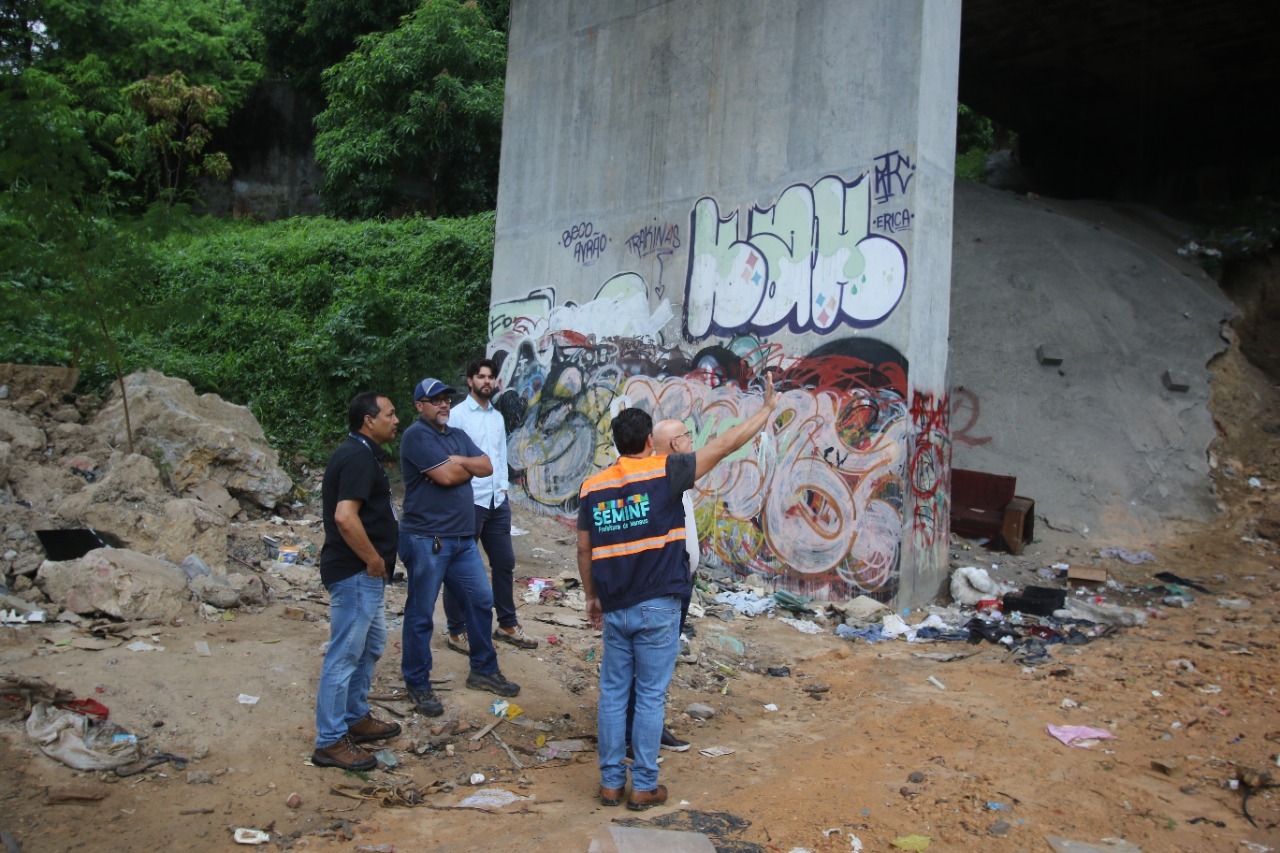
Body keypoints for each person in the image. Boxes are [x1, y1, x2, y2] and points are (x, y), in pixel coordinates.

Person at [578, 375, 776, 810]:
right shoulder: (666, 471)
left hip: (614, 606)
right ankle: (644, 784)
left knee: (613, 693)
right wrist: (764, 412)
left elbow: (584, 548)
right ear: (650, 440)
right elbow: (724, 445)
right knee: (649, 694)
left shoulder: (593, 487)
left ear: (615, 443)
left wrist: (591, 596)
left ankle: (611, 784)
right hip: (658, 606)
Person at [399, 377, 520, 717]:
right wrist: (460, 466)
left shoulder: (455, 434)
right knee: (421, 613)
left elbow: (487, 466)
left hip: (462, 539)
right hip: (426, 539)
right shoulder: (416, 436)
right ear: (419, 405)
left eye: (446, 399)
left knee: (481, 601)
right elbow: (448, 477)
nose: (443, 404)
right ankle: (418, 682)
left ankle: (482, 669)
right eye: (435, 399)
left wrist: (457, 461)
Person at [312, 392, 403, 771]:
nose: (396, 419)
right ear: (369, 420)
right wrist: (372, 559)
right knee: (345, 652)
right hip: (355, 571)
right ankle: (330, 740)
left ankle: (354, 716)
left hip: (366, 572)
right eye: (390, 413)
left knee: (371, 644)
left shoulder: (364, 454)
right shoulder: (355, 457)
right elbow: (345, 518)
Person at [442, 358, 538, 654]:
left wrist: (504, 490)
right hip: (469, 500)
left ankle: (507, 623)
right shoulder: (457, 416)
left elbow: (497, 457)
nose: (486, 381)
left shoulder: (496, 417)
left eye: (490, 377)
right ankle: (456, 630)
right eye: (480, 376)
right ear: (470, 381)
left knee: (504, 562)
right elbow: (449, 457)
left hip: (497, 500)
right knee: (459, 567)